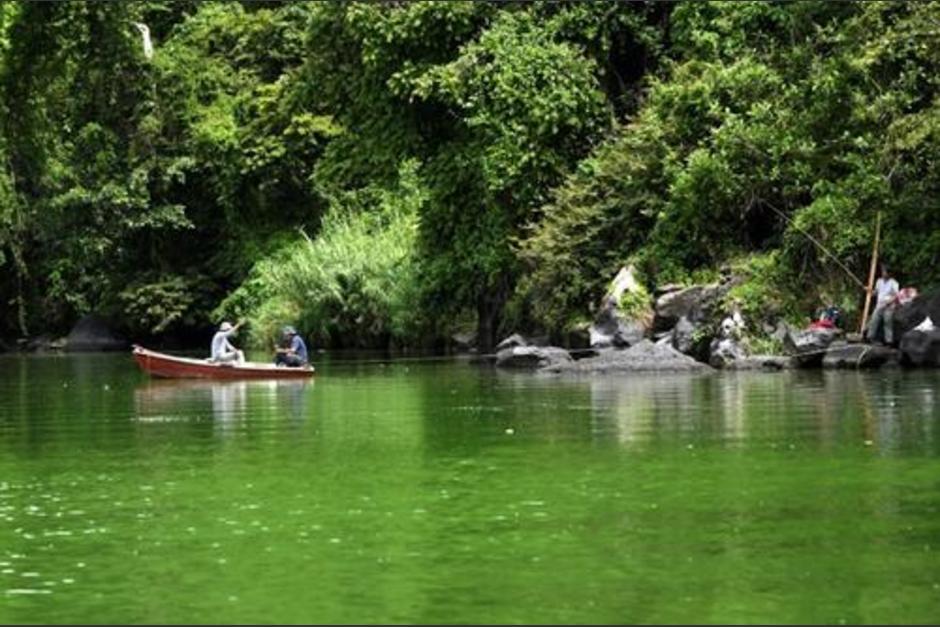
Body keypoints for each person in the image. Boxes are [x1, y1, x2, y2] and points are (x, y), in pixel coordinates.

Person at [866, 264, 900, 345]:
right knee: (874, 320)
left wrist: (889, 302)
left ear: (889, 273)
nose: (883, 273)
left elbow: (896, 296)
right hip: (879, 305)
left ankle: (889, 341)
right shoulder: (879, 281)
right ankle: (870, 338)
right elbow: (876, 293)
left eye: (884, 272)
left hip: (889, 306)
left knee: (887, 323)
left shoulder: (894, 283)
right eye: (882, 271)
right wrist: (869, 290)